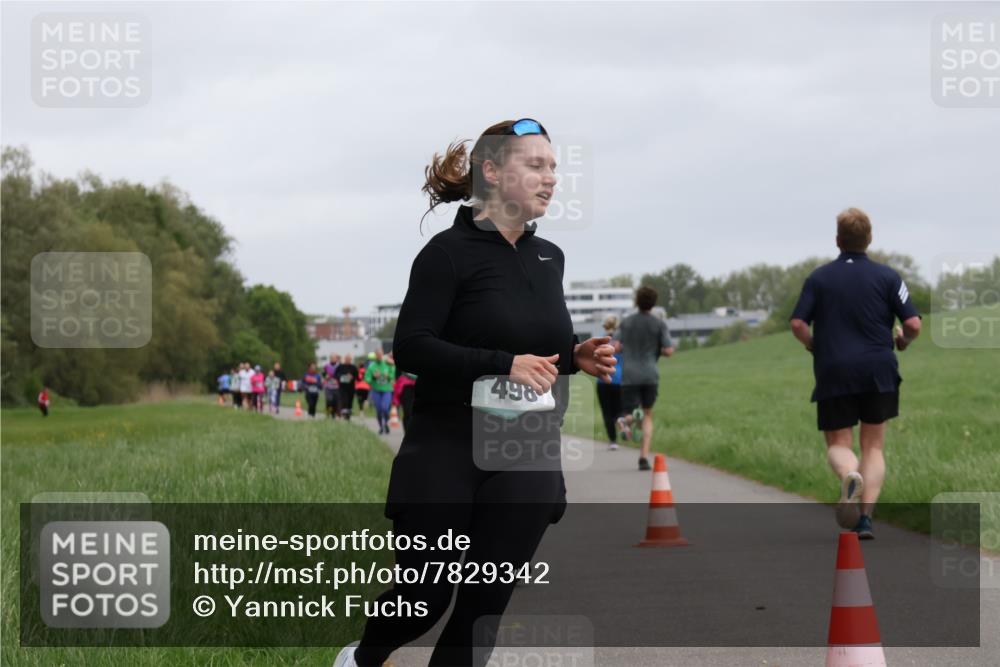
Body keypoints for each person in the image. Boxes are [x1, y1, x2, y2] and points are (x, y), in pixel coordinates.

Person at [333, 118, 616, 667]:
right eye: (535, 165)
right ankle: (363, 658)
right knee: (425, 597)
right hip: (447, 443)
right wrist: (502, 364)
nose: (551, 178)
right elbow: (411, 347)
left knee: (483, 606)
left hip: (526, 446)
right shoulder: (447, 254)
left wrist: (575, 355)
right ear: (491, 172)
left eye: (554, 167)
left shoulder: (549, 257)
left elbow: (533, 342)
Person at [789, 207, 921, 540]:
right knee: (873, 447)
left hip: (835, 370)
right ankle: (865, 521)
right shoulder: (889, 277)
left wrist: (813, 345)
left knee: (838, 442)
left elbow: (797, 322)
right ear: (869, 239)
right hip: (878, 368)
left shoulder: (819, 278)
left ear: (838, 240)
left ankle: (850, 475)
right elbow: (913, 323)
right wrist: (903, 341)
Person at [614, 286, 674, 471]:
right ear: (654, 302)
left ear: (637, 301)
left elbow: (615, 346)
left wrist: (627, 349)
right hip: (650, 374)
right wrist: (658, 350)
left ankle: (626, 421)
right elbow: (669, 350)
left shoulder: (626, 322)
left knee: (628, 412)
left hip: (630, 374)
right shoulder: (659, 324)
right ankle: (643, 458)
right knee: (647, 414)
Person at [595, 315, 624, 450]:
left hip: (602, 380)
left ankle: (613, 441)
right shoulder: (621, 342)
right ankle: (620, 419)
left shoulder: (600, 341)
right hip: (619, 379)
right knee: (618, 409)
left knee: (606, 412)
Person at [364, 348, 396, 434]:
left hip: (387, 390)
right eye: (377, 355)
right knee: (379, 410)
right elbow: (367, 378)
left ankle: (385, 423)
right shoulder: (372, 366)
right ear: (375, 356)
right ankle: (381, 426)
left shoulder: (387, 363)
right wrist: (374, 377)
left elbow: (393, 375)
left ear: (382, 355)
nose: (379, 356)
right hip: (376, 390)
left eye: (380, 355)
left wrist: (388, 376)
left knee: (385, 408)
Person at [337, 354, 358, 420]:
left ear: (351, 360)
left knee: (350, 401)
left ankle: (348, 415)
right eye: (346, 359)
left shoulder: (353, 367)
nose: (348, 360)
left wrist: (352, 377)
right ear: (344, 359)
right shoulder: (340, 367)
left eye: (349, 359)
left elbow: (357, 377)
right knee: (344, 400)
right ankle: (344, 414)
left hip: (351, 387)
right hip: (342, 387)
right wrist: (343, 376)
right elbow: (336, 375)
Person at [323, 354, 341, 419]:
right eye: (332, 358)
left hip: (336, 387)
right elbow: (323, 374)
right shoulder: (326, 366)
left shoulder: (339, 366)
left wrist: (337, 379)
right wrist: (325, 376)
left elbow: (341, 375)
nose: (333, 359)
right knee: (329, 401)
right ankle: (328, 413)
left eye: (334, 358)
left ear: (336, 359)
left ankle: (333, 414)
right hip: (328, 386)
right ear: (330, 359)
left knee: (335, 402)